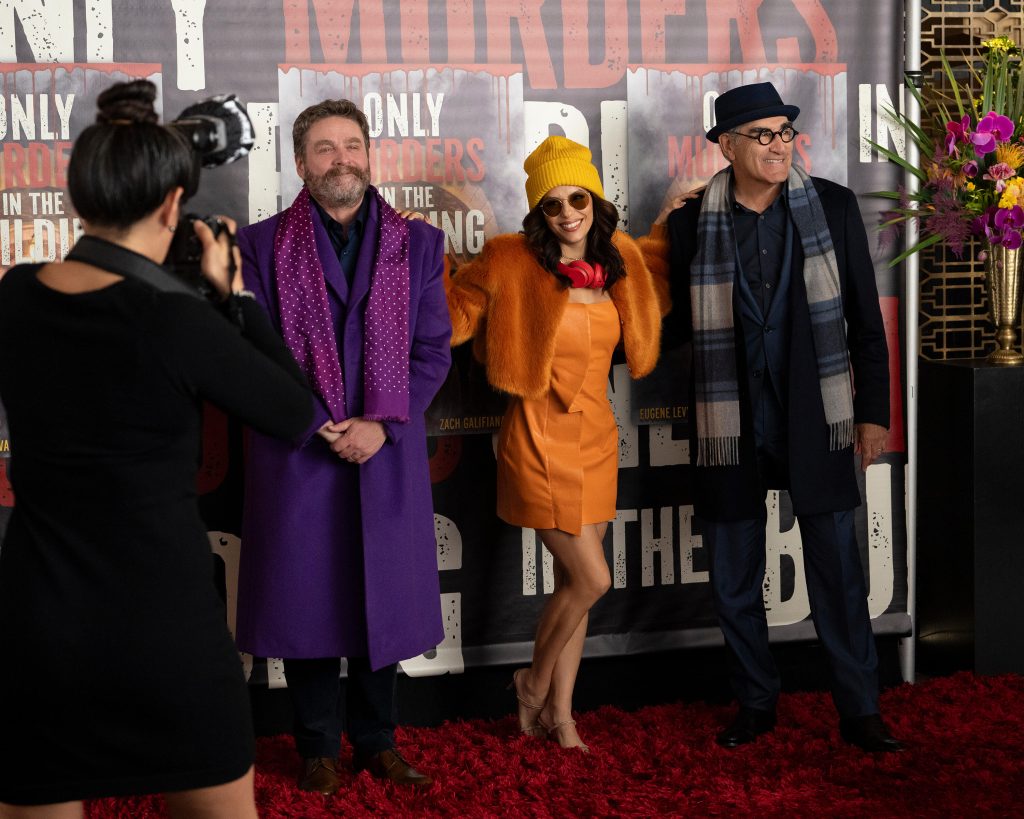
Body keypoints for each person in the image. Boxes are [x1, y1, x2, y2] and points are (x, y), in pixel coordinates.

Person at [0, 80, 313, 817]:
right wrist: (233, 299)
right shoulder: (179, 321)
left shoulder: (12, 299)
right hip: (163, 627)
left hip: (38, 623)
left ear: (84, 197)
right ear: (173, 205)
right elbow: (296, 413)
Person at [665, 82, 902, 752]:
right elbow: (676, 327)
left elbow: (864, 319)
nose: (778, 144)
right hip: (728, 425)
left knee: (838, 572)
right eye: (762, 134)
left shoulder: (832, 205)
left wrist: (872, 415)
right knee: (734, 577)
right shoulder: (690, 224)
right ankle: (755, 702)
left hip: (817, 417)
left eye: (784, 132)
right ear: (727, 145)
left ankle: (860, 710)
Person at [234, 99, 451, 793]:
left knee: (380, 599)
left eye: (351, 145)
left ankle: (379, 739)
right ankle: (317, 745)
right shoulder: (260, 245)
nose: (341, 159)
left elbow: (432, 350)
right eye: (324, 148)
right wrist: (316, 422)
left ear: (369, 154)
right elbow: (252, 351)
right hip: (300, 453)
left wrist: (382, 424)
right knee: (310, 601)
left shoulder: (417, 245)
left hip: (383, 452)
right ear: (300, 164)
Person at [445, 136, 670, 751]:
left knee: (576, 591)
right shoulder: (510, 260)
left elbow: (658, 289)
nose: (568, 212)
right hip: (537, 435)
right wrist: (422, 255)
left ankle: (562, 716)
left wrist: (677, 222)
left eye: (578, 198)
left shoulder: (618, 257)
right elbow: (452, 317)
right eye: (552, 205)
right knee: (592, 579)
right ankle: (531, 680)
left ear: (595, 198)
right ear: (537, 214)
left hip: (598, 435)